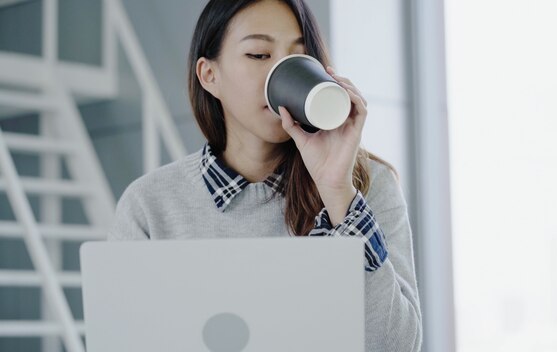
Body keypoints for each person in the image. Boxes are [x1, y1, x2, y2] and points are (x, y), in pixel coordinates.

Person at [108, 0, 422, 350]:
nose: (279, 71)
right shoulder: (149, 205)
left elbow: (396, 345)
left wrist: (337, 193)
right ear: (209, 75)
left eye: (297, 58)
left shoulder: (365, 185)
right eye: (259, 55)